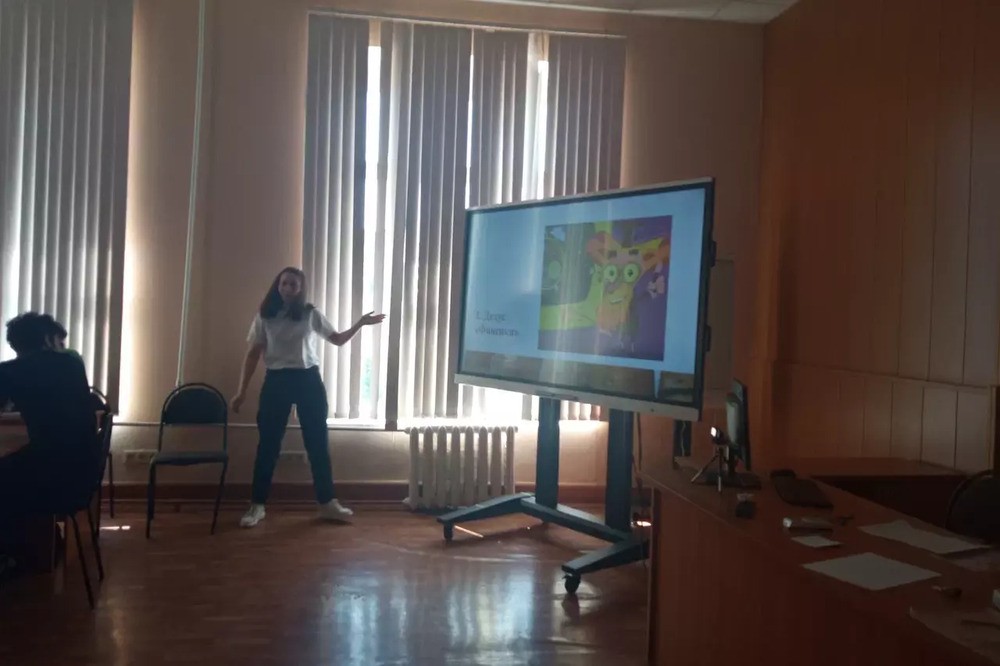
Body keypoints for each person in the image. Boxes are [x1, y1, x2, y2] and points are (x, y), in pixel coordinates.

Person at [231, 267, 385, 528]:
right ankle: (257, 505)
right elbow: (253, 354)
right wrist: (241, 391)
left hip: (308, 380)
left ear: (300, 289)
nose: (287, 288)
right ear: (277, 285)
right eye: (284, 283)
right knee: (268, 445)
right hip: (277, 381)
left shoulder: (310, 314)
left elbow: (337, 339)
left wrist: (360, 323)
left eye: (293, 284)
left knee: (317, 444)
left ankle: (327, 503)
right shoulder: (265, 315)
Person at [0, 313, 97, 523]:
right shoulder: (72, 364)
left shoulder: (9, 371)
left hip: (49, 477)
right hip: (84, 475)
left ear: (14, 344)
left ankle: (19, 542)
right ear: (46, 338)